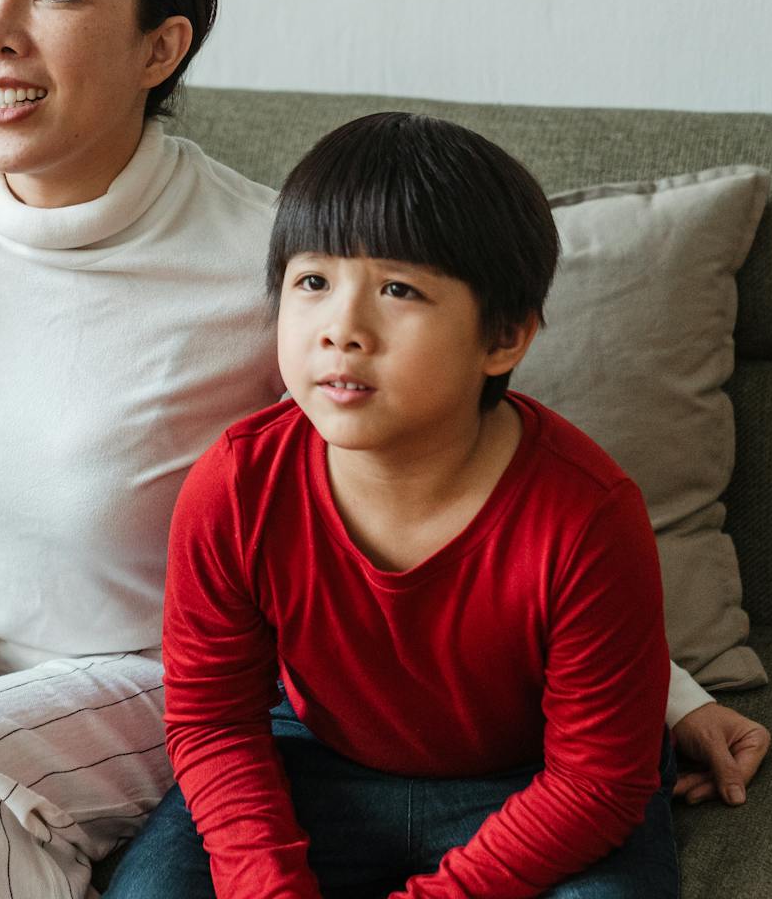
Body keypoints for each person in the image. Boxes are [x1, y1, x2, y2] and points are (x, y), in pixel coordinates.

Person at [0, 0, 770, 899]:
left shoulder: (277, 262)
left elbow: (451, 452)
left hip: (163, 673)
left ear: (161, 45)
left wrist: (663, 689)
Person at [107, 112, 678, 898]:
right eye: (313, 282)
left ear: (504, 338)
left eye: (399, 290)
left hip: (533, 785)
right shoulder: (235, 486)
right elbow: (214, 723)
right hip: (315, 762)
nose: (342, 329)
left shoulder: (588, 516)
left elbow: (597, 781)